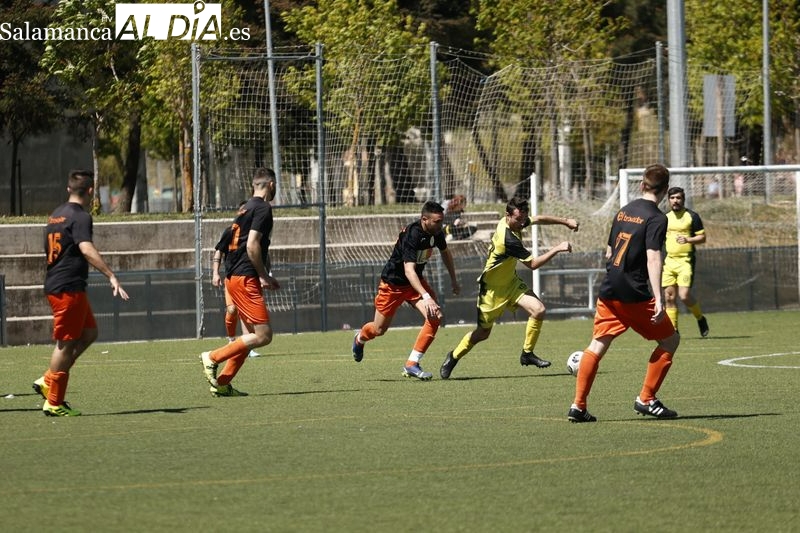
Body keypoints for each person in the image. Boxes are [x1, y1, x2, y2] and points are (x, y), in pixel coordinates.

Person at [568, 163, 680, 423]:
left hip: (609, 289)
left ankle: (578, 406)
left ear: (641, 185)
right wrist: (659, 298)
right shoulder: (657, 218)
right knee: (670, 340)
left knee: (597, 345)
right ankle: (647, 398)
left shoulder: (624, 211)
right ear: (664, 190)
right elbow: (653, 258)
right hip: (635, 293)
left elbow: (609, 252)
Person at [439, 197, 578, 379]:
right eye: (518, 219)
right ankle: (453, 356)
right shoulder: (508, 239)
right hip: (491, 291)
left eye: (523, 219)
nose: (522, 223)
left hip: (510, 283)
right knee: (482, 334)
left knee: (539, 310)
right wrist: (557, 248)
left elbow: (537, 219)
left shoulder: (513, 221)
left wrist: (566, 221)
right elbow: (533, 264)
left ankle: (527, 354)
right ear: (507, 216)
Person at [32, 170, 130, 416]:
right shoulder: (81, 216)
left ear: (68, 190)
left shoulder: (56, 215)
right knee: (65, 346)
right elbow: (86, 248)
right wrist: (111, 275)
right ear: (90, 191)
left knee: (89, 333)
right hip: (67, 288)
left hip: (64, 284)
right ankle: (54, 401)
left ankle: (48, 379)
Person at [352, 201, 461, 380]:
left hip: (414, 284)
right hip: (393, 285)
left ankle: (412, 364)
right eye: (437, 221)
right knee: (379, 330)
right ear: (424, 219)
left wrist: (454, 279)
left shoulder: (436, 232)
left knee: (435, 316)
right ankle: (360, 339)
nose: (440, 225)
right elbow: (409, 270)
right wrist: (426, 296)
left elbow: (445, 252)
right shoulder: (413, 235)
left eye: (441, 221)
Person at [200, 168, 280, 396]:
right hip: (245, 277)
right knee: (263, 336)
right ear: (271, 185)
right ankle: (213, 356)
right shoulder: (263, 208)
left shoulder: (246, 209)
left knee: (249, 338)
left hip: (235, 277)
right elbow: (252, 245)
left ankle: (223, 383)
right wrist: (264, 275)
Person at [211, 202, 261, 357]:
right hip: (232, 278)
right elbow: (219, 252)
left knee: (246, 313)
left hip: (247, 277)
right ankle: (232, 340)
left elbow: (260, 252)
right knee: (232, 310)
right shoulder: (230, 231)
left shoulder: (254, 234)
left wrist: (265, 273)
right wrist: (215, 273)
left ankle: (248, 347)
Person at [662, 187, 709, 337]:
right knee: (669, 297)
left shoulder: (692, 216)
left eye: (678, 198)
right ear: (669, 200)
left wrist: (688, 239)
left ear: (683, 199)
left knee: (684, 295)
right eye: (672, 198)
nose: (675, 201)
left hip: (685, 261)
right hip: (669, 261)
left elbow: (702, 238)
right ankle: (673, 330)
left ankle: (700, 318)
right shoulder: (664, 218)